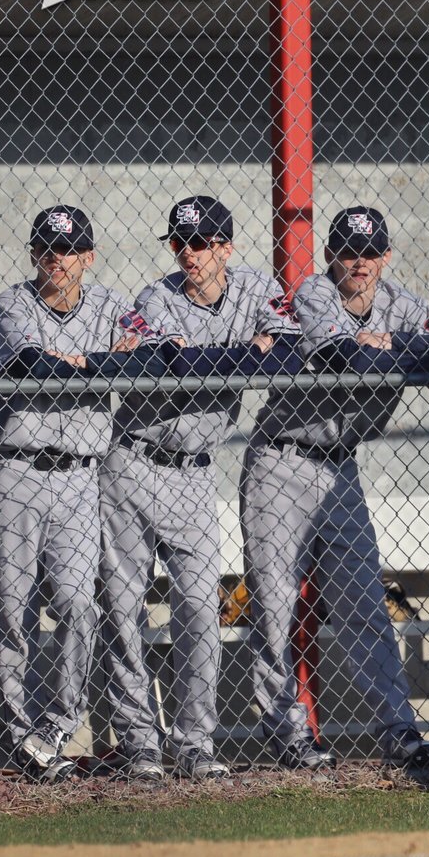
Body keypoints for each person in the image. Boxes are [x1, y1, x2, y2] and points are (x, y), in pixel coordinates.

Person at [243, 207, 429, 770]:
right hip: (282, 460)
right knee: (275, 607)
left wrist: (393, 343)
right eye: (349, 252)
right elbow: (341, 355)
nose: (361, 263)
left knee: (364, 605)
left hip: (341, 467)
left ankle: (398, 730)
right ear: (332, 255)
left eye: (371, 252)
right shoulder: (315, 294)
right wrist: (409, 356)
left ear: (386, 256)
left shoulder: (402, 305)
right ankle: (288, 733)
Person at [98, 196, 301, 781]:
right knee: (123, 609)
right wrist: (246, 353)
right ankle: (139, 742)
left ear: (226, 248)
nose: (188, 253)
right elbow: (172, 365)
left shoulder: (256, 288)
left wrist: (228, 358)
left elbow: (286, 356)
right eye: (179, 242)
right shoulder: (156, 298)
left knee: (198, 609)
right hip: (132, 461)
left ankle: (193, 742)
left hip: (193, 473)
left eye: (201, 242)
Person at [0, 206, 164, 781]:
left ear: (87, 257)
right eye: (45, 248)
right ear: (33, 254)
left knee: (77, 605)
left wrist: (85, 362)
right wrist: (102, 366)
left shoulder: (111, 305)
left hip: (80, 479)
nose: (55, 260)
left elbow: (147, 358)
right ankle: (21, 737)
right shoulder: (13, 303)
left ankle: (55, 728)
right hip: (18, 473)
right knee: (12, 612)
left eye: (66, 250)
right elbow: (30, 362)